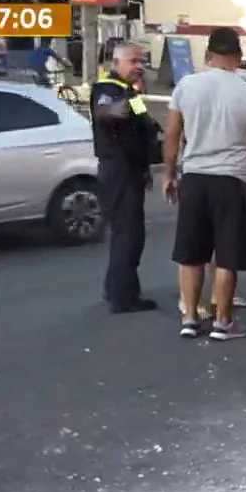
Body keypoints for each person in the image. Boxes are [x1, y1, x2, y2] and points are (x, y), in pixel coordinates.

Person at [162, 27, 246, 341]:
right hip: (233, 182)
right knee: (227, 256)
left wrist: (169, 174)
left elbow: (172, 135)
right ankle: (223, 322)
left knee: (191, 253)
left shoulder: (186, 86)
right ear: (238, 58)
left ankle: (190, 316)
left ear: (208, 55)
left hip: (195, 179)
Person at [91, 42, 162, 313]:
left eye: (141, 61)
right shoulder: (108, 88)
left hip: (132, 168)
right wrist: (123, 103)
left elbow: (143, 123)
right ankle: (123, 297)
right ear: (116, 62)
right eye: (133, 61)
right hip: (118, 169)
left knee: (132, 233)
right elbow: (105, 113)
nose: (139, 66)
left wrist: (146, 164)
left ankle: (118, 288)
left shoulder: (128, 91)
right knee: (127, 234)